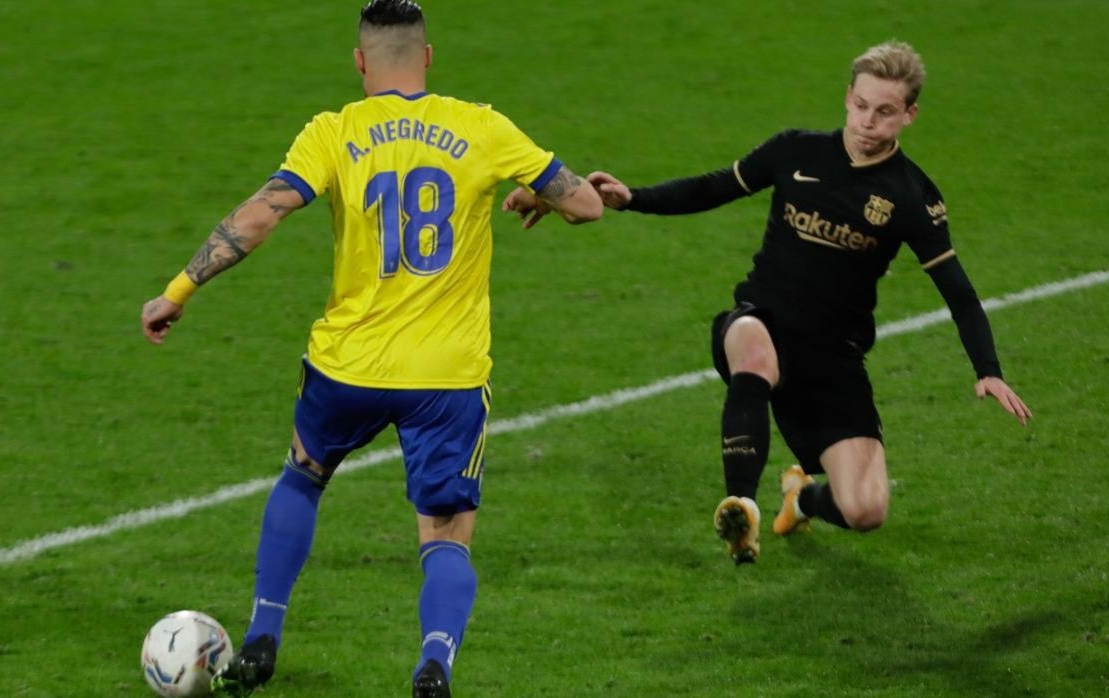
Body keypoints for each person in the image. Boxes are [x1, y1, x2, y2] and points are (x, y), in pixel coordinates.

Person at [140, 2, 602, 696]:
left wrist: (178, 289)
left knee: (303, 476)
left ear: (361, 62)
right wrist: (542, 198)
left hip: (346, 366)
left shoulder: (334, 131)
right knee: (445, 534)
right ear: (429, 57)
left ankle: (263, 636)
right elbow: (585, 204)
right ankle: (434, 664)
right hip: (446, 377)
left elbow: (261, 214)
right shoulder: (481, 126)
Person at [580, 41, 1032, 564]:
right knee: (754, 357)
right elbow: (714, 188)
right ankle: (741, 507)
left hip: (834, 358)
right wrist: (634, 197)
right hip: (760, 320)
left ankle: (802, 498)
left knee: (866, 511)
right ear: (847, 98)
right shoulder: (795, 150)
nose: (868, 121)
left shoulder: (911, 196)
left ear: (909, 115)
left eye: (885, 112)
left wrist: (988, 368)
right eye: (861, 105)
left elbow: (958, 289)